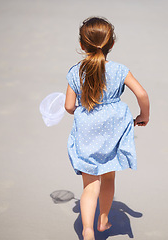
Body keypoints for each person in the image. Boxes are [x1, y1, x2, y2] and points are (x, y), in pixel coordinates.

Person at [64, 17, 150, 240]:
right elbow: (142, 94)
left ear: (82, 45)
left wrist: (81, 109)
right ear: (112, 44)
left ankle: (88, 230)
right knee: (109, 178)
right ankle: (103, 219)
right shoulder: (120, 70)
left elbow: (69, 106)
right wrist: (143, 115)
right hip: (113, 130)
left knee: (90, 184)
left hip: (87, 130)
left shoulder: (75, 72)